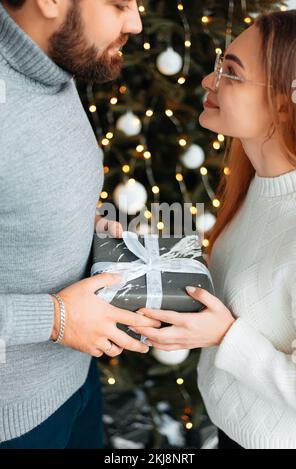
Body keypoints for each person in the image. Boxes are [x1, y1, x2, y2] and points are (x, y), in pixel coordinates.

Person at [133, 10, 296, 449]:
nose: (209, 82)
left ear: (285, 103)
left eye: (232, 73)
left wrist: (226, 336)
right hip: (227, 432)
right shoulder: (256, 186)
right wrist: (132, 249)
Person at [0, 0, 161, 449]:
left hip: (75, 381)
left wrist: (84, 225)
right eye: (118, 5)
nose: (136, 22)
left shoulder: (51, 60)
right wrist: (55, 319)